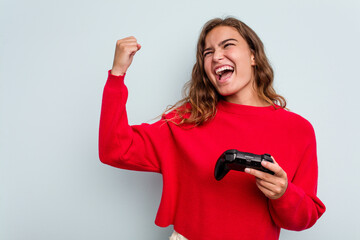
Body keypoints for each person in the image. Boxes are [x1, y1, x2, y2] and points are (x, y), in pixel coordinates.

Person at [99, 17, 326, 240]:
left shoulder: (298, 130)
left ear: (253, 55)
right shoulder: (187, 120)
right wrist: (117, 75)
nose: (216, 56)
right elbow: (115, 149)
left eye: (227, 45)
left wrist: (283, 193)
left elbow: (304, 218)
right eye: (208, 53)